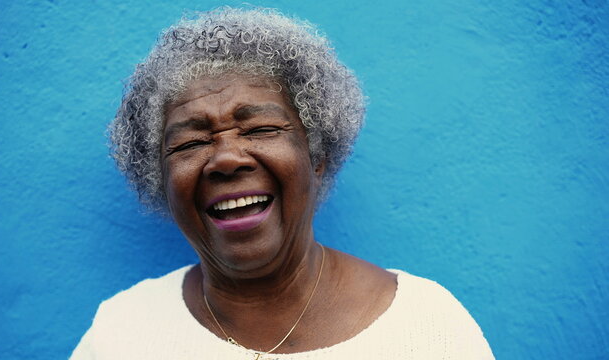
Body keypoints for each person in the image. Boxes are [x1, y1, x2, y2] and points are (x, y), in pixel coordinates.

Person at [71, 7, 494, 359]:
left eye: (259, 130)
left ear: (318, 157)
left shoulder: (429, 330)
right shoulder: (119, 335)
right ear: (160, 182)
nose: (226, 159)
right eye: (192, 142)